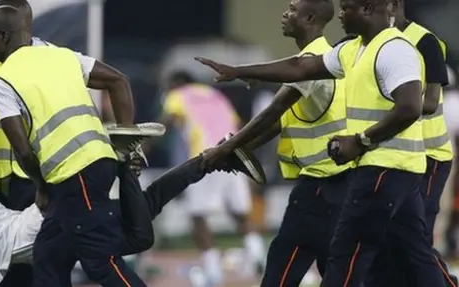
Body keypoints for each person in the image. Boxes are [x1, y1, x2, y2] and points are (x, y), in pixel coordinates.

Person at [196, 0, 448, 285]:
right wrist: (241, 70)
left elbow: (411, 107)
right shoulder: (353, 49)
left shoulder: (394, 49)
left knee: (346, 258)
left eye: (346, 9)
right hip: (395, 171)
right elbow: (301, 67)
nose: (340, 15)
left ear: (367, 10)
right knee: (416, 257)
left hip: (381, 169)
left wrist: (362, 140)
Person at [0, 133, 236, 287]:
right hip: (32, 221)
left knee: (133, 235)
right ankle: (202, 161)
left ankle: (129, 164)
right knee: (138, 220)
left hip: (35, 229)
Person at [0, 6, 138, 287]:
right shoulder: (62, 55)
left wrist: (40, 187)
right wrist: (125, 148)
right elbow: (119, 81)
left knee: (101, 261)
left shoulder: (3, 80)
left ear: (3, 36)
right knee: (48, 257)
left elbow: (23, 150)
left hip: (75, 174)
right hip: (98, 163)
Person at [208, 0, 352, 285]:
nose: (285, 14)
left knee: (280, 270)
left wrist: (225, 148)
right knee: (334, 271)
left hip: (319, 186)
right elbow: (280, 121)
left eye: (292, 9)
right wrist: (241, 147)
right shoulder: (322, 58)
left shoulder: (314, 59)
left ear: (310, 17)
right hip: (338, 184)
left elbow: (273, 111)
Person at [365, 1, 457, 286]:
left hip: (429, 156)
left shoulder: (425, 42)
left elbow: (428, 102)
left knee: (414, 241)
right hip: (394, 156)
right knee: (389, 238)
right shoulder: (366, 43)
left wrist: (394, 107)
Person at [161, 70, 265, 283]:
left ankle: (212, 271)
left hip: (206, 156)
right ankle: (257, 255)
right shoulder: (215, 95)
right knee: (240, 212)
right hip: (233, 155)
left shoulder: (177, 95)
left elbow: (168, 121)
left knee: (198, 216)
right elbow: (236, 124)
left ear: (175, 84)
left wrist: (146, 139)